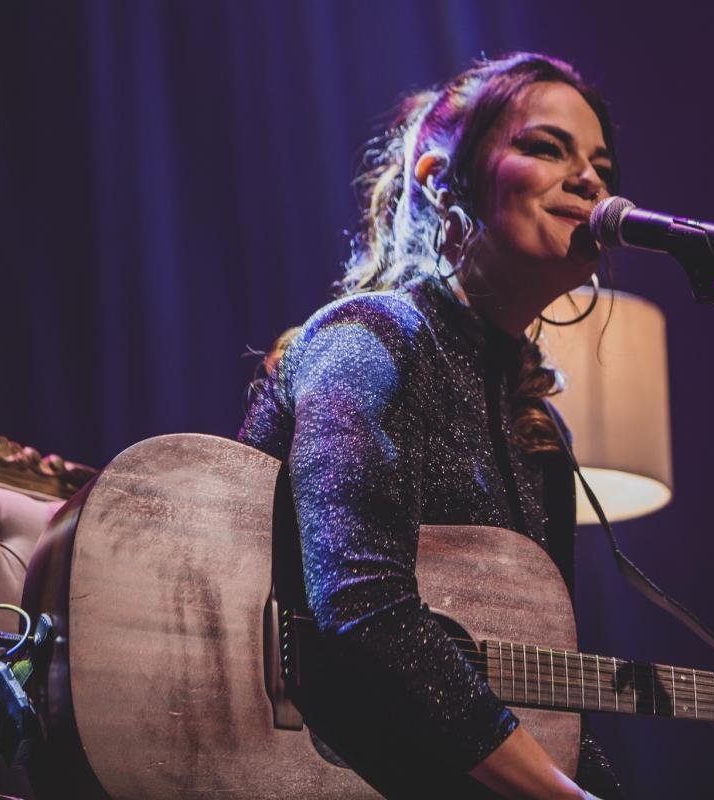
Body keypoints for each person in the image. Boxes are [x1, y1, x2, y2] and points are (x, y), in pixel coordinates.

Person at [239, 52, 622, 798]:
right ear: (442, 181)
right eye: (547, 148)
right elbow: (364, 612)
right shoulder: (370, 339)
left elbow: (550, 705)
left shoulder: (540, 435)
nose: (590, 181)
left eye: (601, 166)